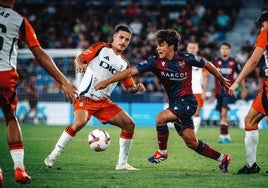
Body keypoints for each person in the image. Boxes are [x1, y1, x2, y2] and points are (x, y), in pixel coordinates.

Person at [95, 29, 232, 173]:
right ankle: (223, 158)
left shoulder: (186, 58)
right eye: (157, 45)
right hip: (175, 104)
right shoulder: (155, 62)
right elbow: (130, 72)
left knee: (160, 118)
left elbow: (207, 64)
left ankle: (162, 152)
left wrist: (221, 80)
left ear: (171, 47)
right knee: (192, 143)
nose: (158, 48)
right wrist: (108, 81)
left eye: (161, 45)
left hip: (188, 102)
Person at [44, 24, 145, 171]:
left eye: (127, 40)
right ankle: (55, 153)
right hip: (85, 97)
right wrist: (79, 63)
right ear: (114, 37)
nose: (123, 41)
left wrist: (136, 88)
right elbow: (80, 58)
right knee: (79, 123)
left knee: (130, 124)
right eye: (121, 37)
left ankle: (122, 163)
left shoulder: (124, 64)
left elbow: (129, 88)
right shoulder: (101, 48)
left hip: (103, 102)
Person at [0, 0, 78, 185]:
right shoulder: (18, 20)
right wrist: (64, 81)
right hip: (4, 74)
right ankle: (19, 169)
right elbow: (39, 54)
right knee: (10, 117)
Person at [229, 10, 268, 174]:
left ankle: (251, 166)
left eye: (261, 25)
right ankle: (251, 165)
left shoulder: (266, 32)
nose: (261, 29)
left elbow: (253, 60)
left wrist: (237, 81)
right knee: (250, 120)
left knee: (251, 121)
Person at [213, 42, 247, 143]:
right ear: (220, 50)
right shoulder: (215, 61)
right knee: (222, 114)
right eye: (222, 48)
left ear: (229, 50)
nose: (224, 50)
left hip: (228, 91)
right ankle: (227, 134)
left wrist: (244, 89)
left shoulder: (234, 62)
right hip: (218, 92)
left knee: (224, 112)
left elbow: (241, 76)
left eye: (226, 48)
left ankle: (222, 135)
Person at [186, 41, 208, 133]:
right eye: (190, 47)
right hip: (185, 90)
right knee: (186, 112)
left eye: (194, 47)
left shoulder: (201, 61)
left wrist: (204, 91)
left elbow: (205, 77)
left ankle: (193, 133)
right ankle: (187, 131)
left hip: (197, 90)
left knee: (196, 112)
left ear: (197, 49)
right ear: (187, 48)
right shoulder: (182, 61)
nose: (192, 49)